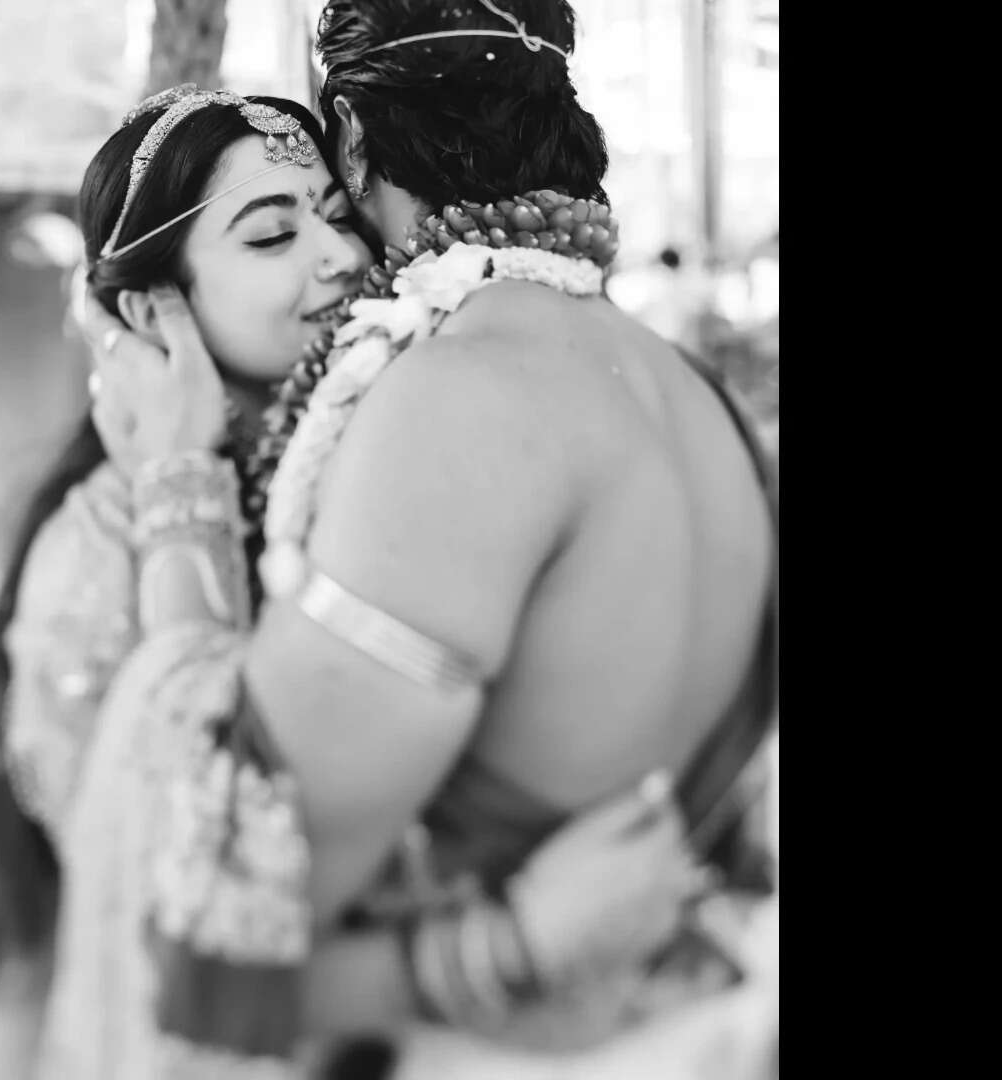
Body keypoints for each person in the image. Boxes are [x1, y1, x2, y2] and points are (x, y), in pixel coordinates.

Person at [74, 0, 779, 1070]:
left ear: (354, 141)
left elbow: (214, 947)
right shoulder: (692, 390)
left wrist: (502, 948)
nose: (328, 256)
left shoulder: (462, 399)